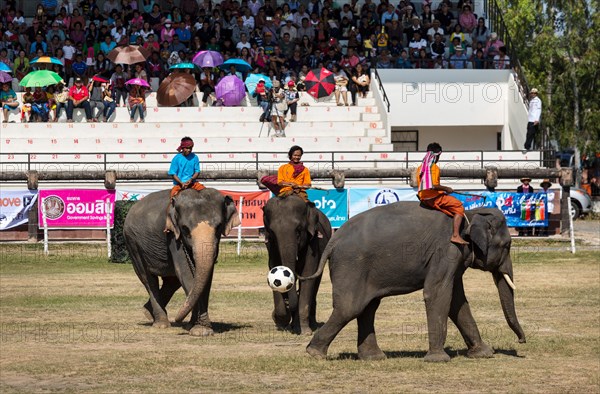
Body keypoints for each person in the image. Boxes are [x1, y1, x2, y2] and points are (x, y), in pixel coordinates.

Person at [416, 142, 468, 245]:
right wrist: (446, 188)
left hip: (423, 198)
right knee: (459, 206)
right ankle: (455, 236)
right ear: (437, 155)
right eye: (439, 156)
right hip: (433, 198)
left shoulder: (420, 167)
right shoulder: (434, 167)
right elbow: (433, 185)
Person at [163, 136, 206, 232]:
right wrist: (181, 183)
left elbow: (197, 172)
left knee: (206, 193)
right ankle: (169, 224)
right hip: (179, 184)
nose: (189, 150)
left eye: (191, 148)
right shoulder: (176, 158)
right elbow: (173, 173)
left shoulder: (195, 157)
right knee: (172, 201)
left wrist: (191, 180)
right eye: (187, 148)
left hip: (192, 183)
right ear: (182, 148)